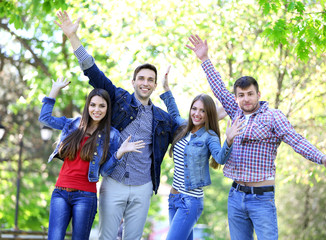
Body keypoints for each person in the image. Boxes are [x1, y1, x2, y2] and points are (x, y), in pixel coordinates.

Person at [186, 34, 326, 240]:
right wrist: (204, 59)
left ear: (258, 94)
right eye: (241, 95)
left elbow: (296, 140)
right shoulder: (234, 111)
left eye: (250, 94)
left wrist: (322, 158)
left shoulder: (273, 117)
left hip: (261, 199)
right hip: (235, 196)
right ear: (236, 97)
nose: (246, 99)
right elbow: (218, 87)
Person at [54, 11, 178, 240]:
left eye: (150, 79)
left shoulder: (162, 118)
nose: (145, 83)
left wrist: (171, 95)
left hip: (143, 186)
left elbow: (182, 127)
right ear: (133, 82)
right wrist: (73, 37)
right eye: (141, 78)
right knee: (107, 237)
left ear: (154, 86)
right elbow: (93, 72)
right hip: (114, 182)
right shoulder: (119, 99)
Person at [38, 77, 145, 240]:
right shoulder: (72, 124)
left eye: (102, 106)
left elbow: (103, 170)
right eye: (93, 105)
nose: (97, 109)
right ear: (87, 106)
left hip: (85, 196)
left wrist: (119, 153)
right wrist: (55, 90)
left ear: (107, 109)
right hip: (60, 192)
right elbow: (45, 118)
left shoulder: (112, 135)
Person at [159, 67, 245, 240]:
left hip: (190, 202)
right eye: (195, 109)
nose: (197, 113)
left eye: (202, 111)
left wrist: (228, 141)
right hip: (173, 200)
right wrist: (166, 88)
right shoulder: (183, 128)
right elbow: (173, 110)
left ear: (208, 114)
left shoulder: (209, 136)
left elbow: (220, 158)